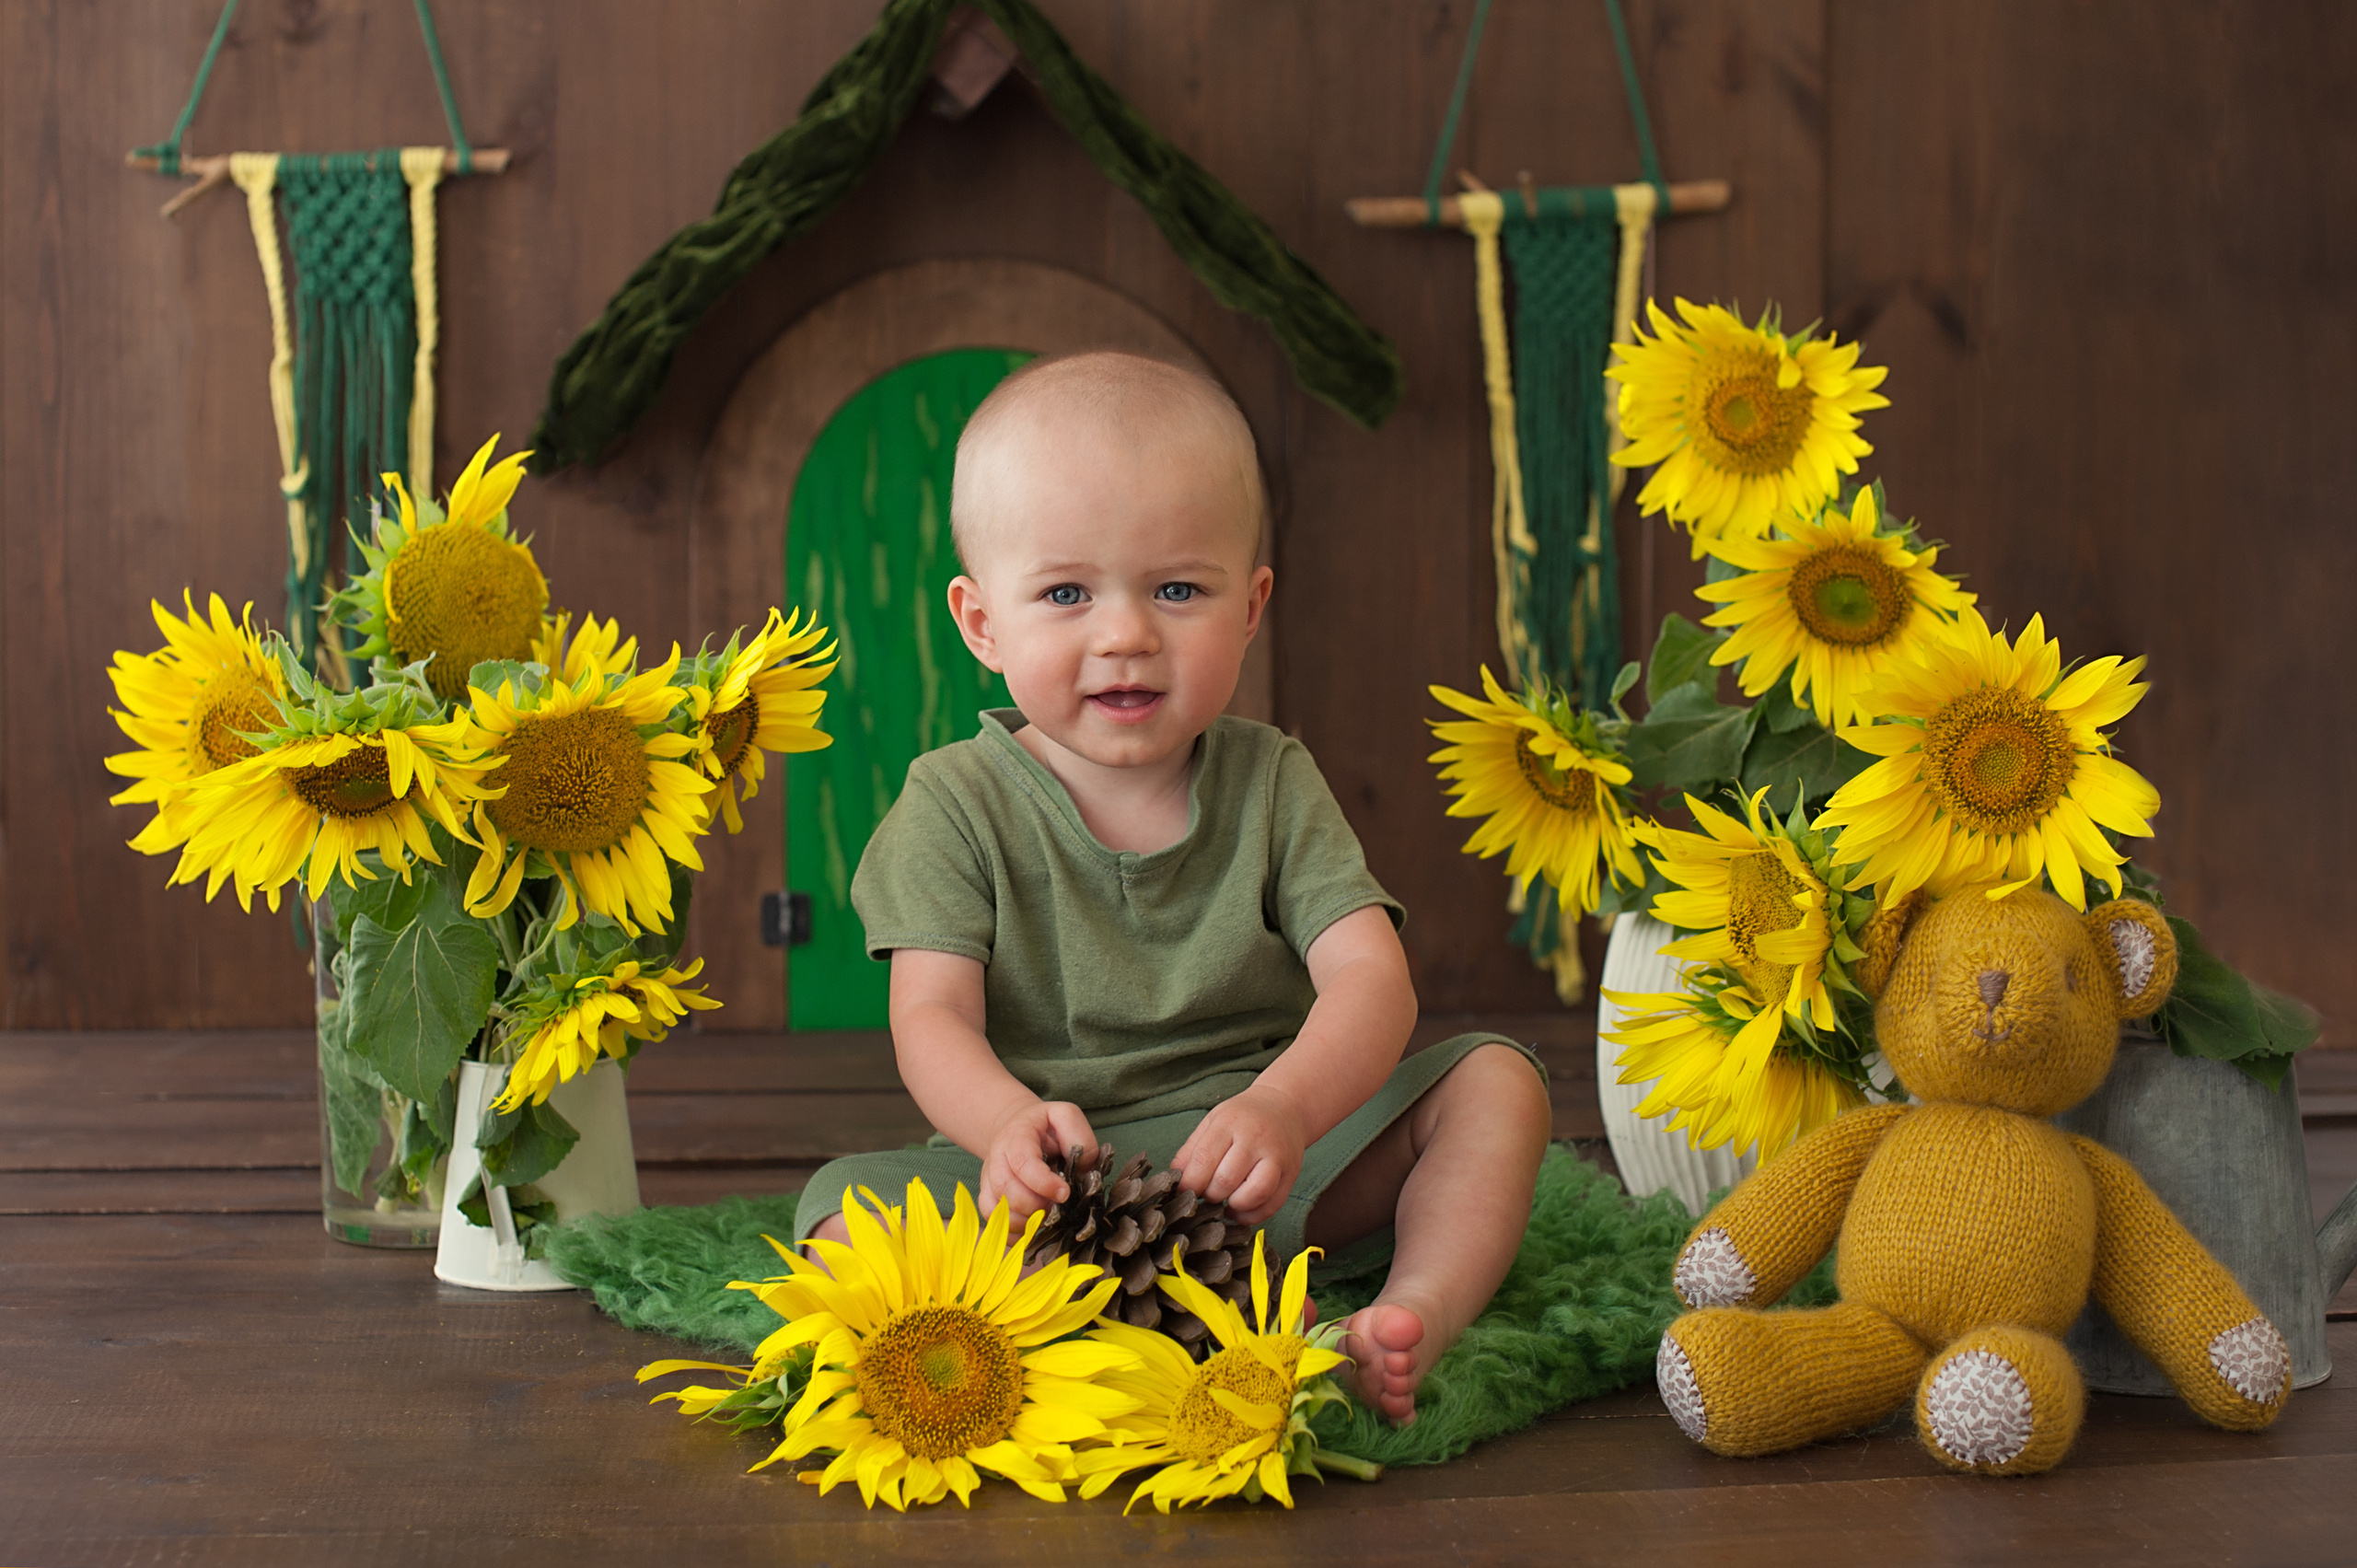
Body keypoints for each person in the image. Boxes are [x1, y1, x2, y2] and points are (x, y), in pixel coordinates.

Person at [794, 351, 1551, 1423]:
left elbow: (1371, 982)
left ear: (1250, 607)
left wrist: (1285, 1106)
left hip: (1251, 1165)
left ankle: (1407, 1313)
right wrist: (1007, 1127)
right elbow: (929, 1018)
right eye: (1065, 592)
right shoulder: (952, 803)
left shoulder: (1273, 780)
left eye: (1176, 589)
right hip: (1054, 1180)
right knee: (838, 1215)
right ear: (980, 622)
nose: (1125, 635)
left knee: (1492, 1084)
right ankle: (1069, 1318)